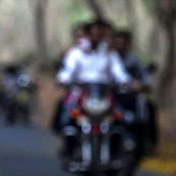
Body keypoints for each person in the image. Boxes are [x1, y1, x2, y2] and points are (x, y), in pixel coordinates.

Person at [54, 20, 132, 158]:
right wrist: (62, 79)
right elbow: (68, 70)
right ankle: (69, 147)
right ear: (88, 34)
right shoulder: (77, 53)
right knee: (67, 118)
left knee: (122, 118)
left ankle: (119, 151)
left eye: (100, 33)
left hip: (104, 95)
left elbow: (119, 72)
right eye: (94, 33)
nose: (97, 36)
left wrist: (126, 81)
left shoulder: (109, 53)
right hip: (82, 93)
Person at [113, 30, 159, 152]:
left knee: (148, 108)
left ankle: (148, 143)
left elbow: (144, 75)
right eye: (117, 43)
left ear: (128, 44)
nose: (120, 46)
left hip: (129, 95)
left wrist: (145, 84)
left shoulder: (134, 60)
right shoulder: (109, 59)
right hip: (111, 95)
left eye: (124, 43)